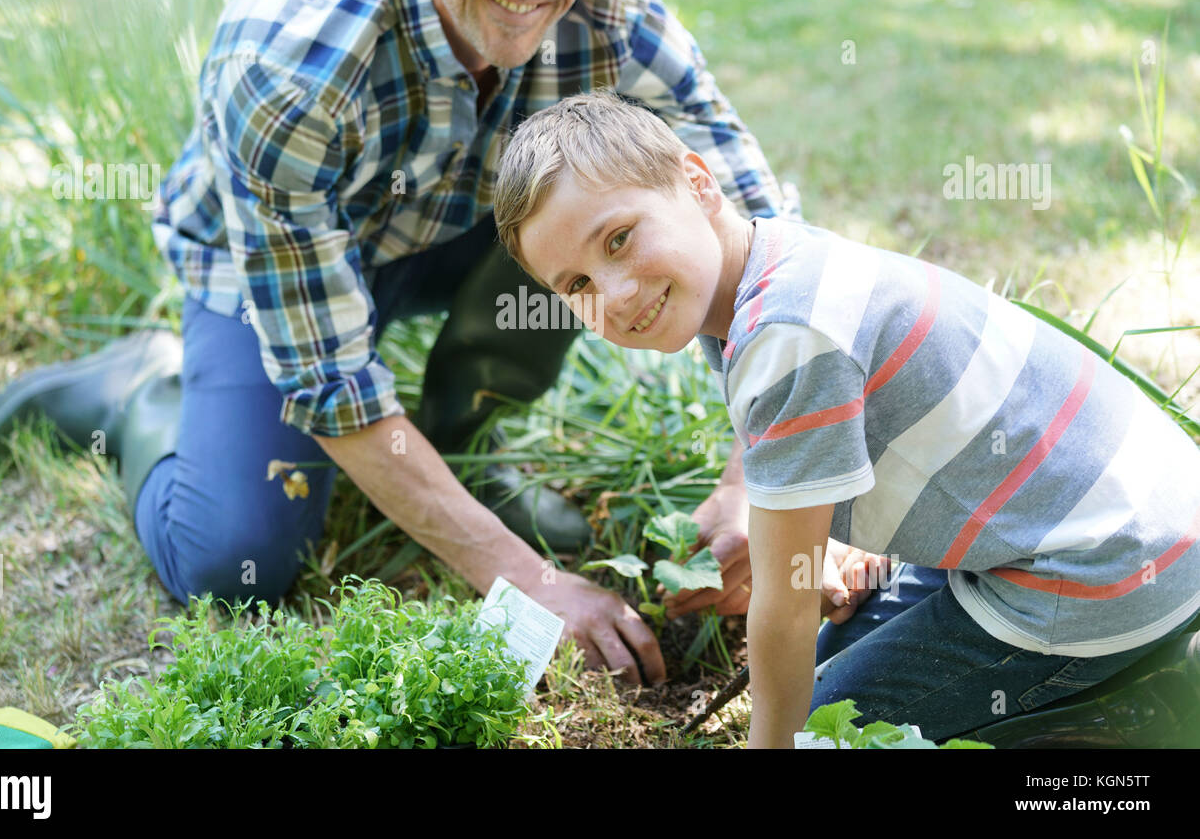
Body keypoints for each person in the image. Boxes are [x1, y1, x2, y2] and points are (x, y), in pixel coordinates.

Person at [0, 0, 874, 688]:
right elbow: (332, 378)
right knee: (233, 556)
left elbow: (756, 234)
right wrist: (526, 579)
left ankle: (460, 441)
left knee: (582, 215)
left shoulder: (618, 24)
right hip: (275, 274)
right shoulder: (290, 67)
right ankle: (143, 393)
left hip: (456, 231)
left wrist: (753, 477)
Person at [491, 88, 1200, 745]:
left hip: (1106, 567)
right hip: (1105, 516)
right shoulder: (773, 265)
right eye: (577, 284)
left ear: (699, 183)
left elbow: (787, 602)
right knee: (830, 664)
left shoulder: (787, 336)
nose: (612, 294)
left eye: (618, 239)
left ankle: (1140, 711)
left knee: (831, 732)